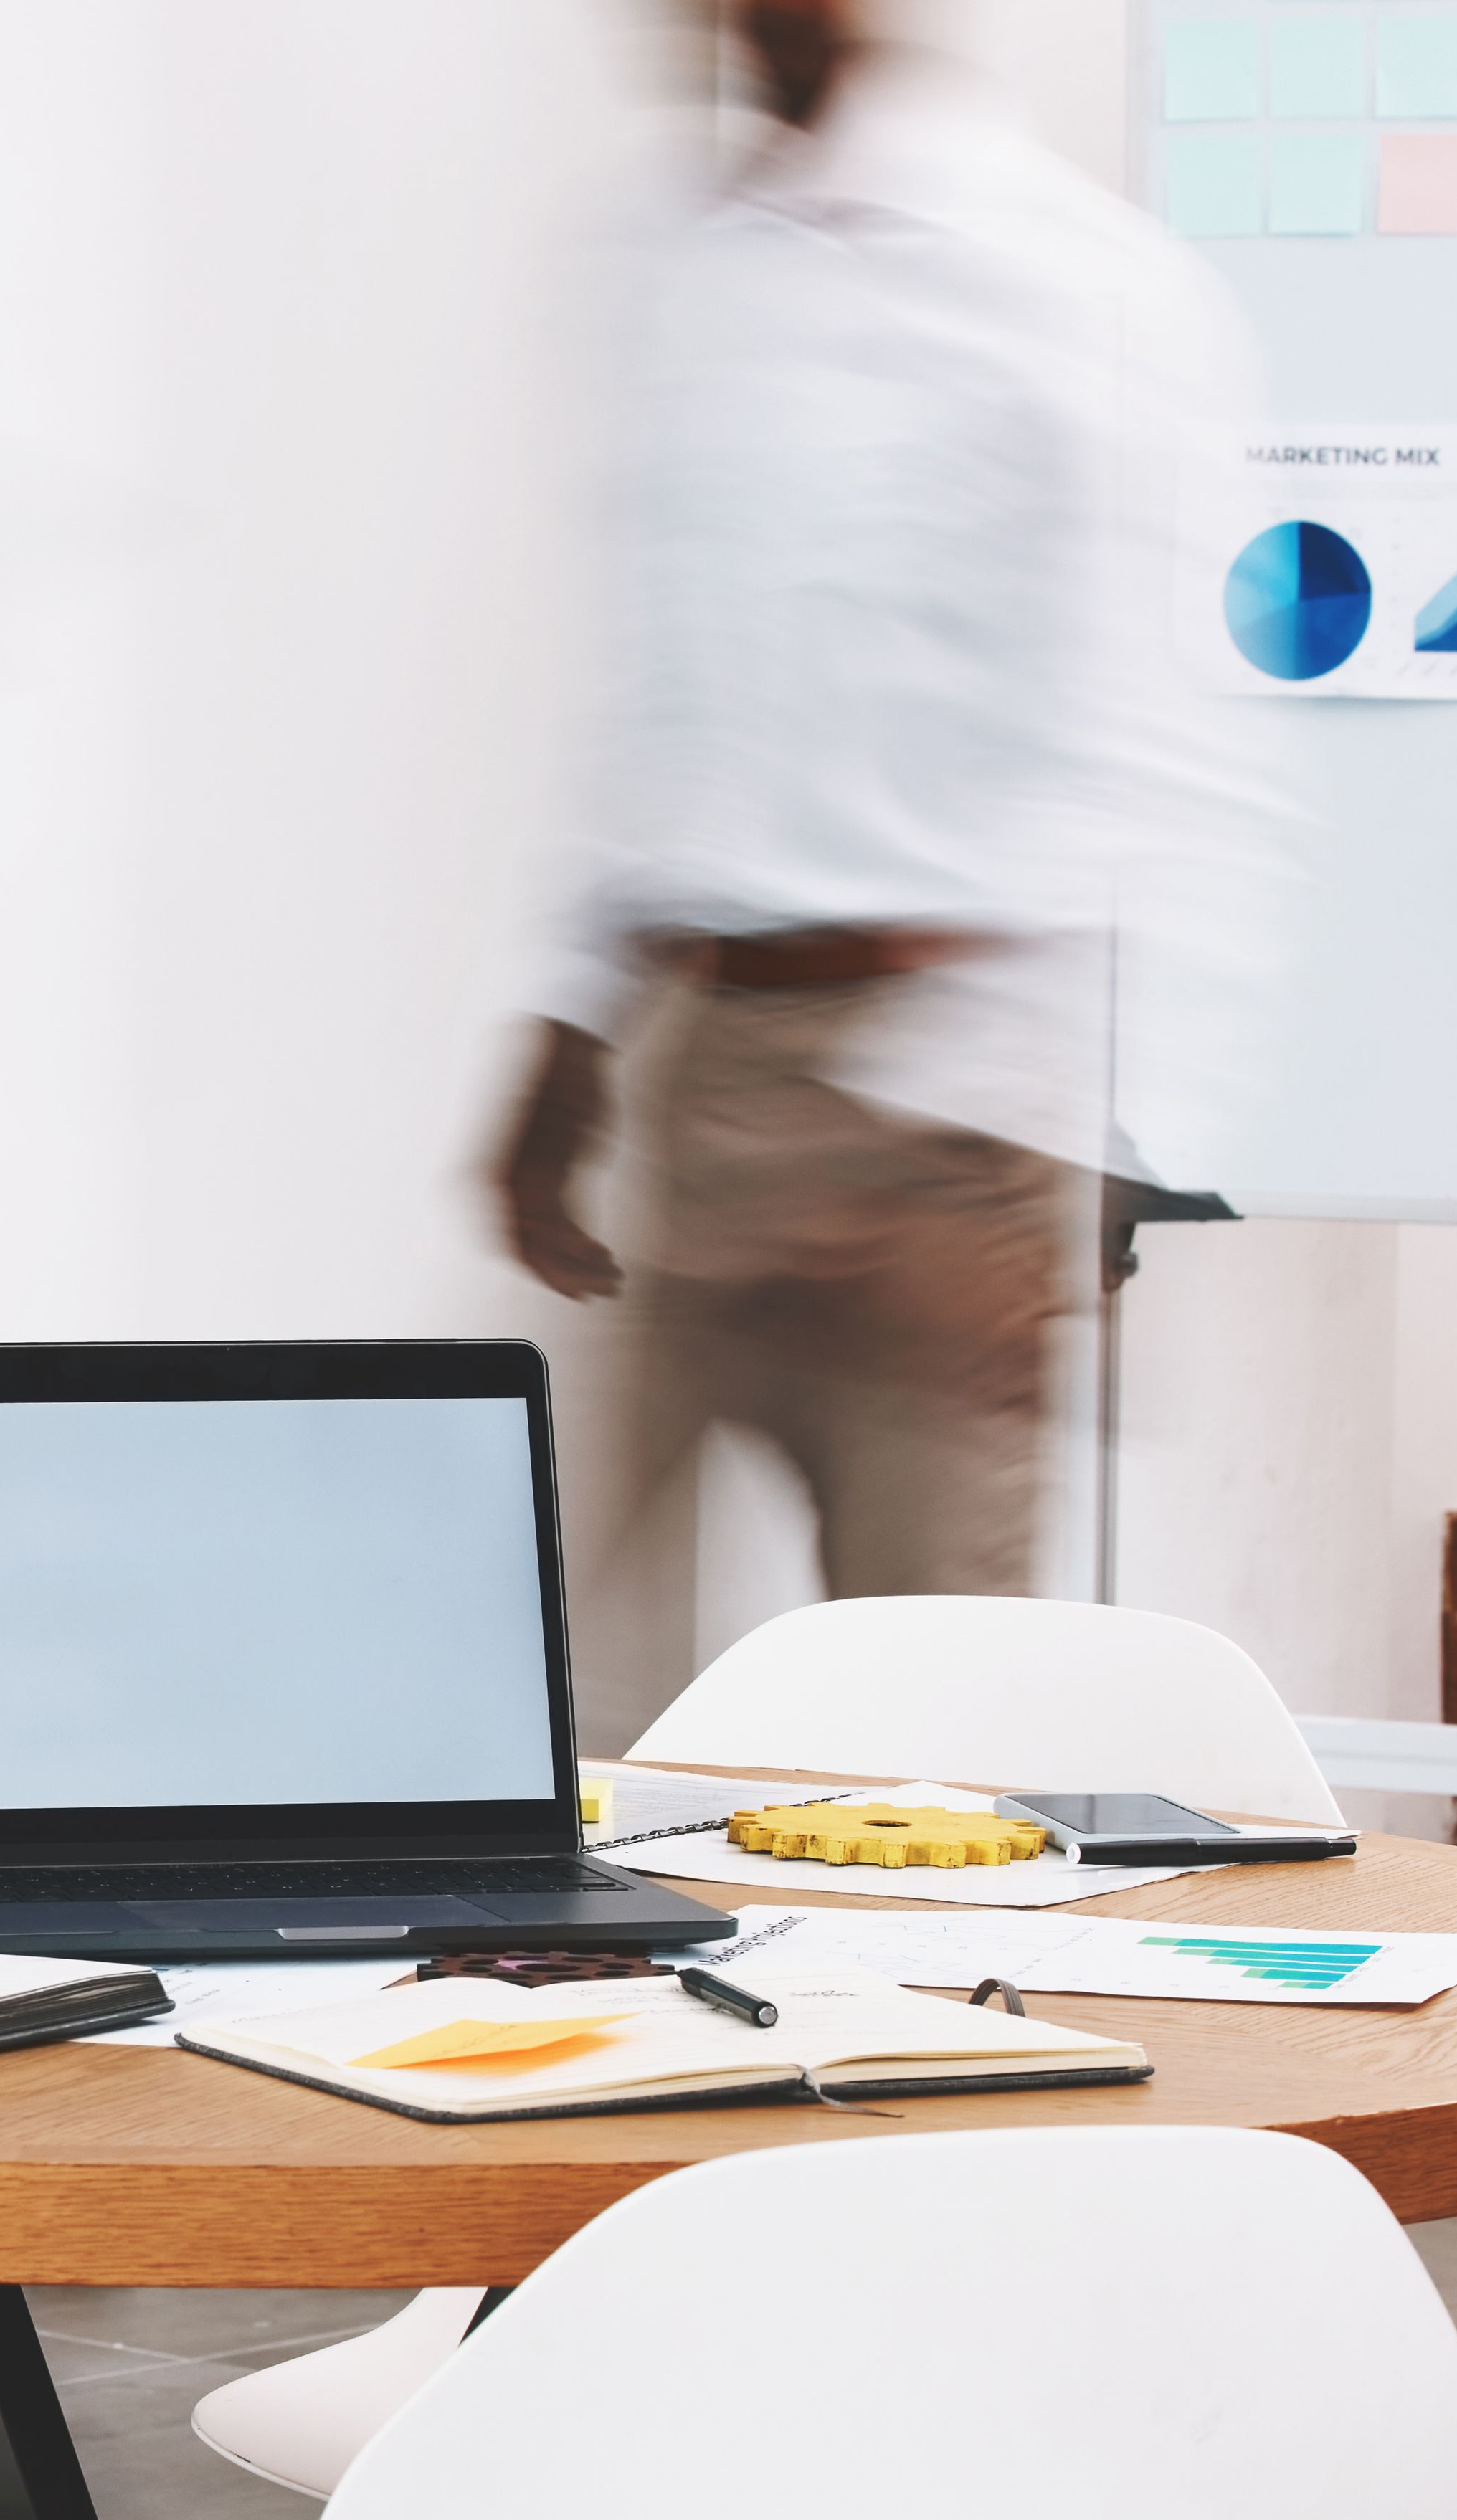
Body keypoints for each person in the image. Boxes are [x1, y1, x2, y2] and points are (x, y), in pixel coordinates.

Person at [495, 0, 1263, 1609]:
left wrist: (1090, 1159)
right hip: (712, 1076)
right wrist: (566, 1039)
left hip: (952, 1119)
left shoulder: (1076, 284)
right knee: (540, 1660)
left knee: (922, 1722)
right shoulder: (674, 264)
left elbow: (1176, 748)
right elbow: (661, 692)